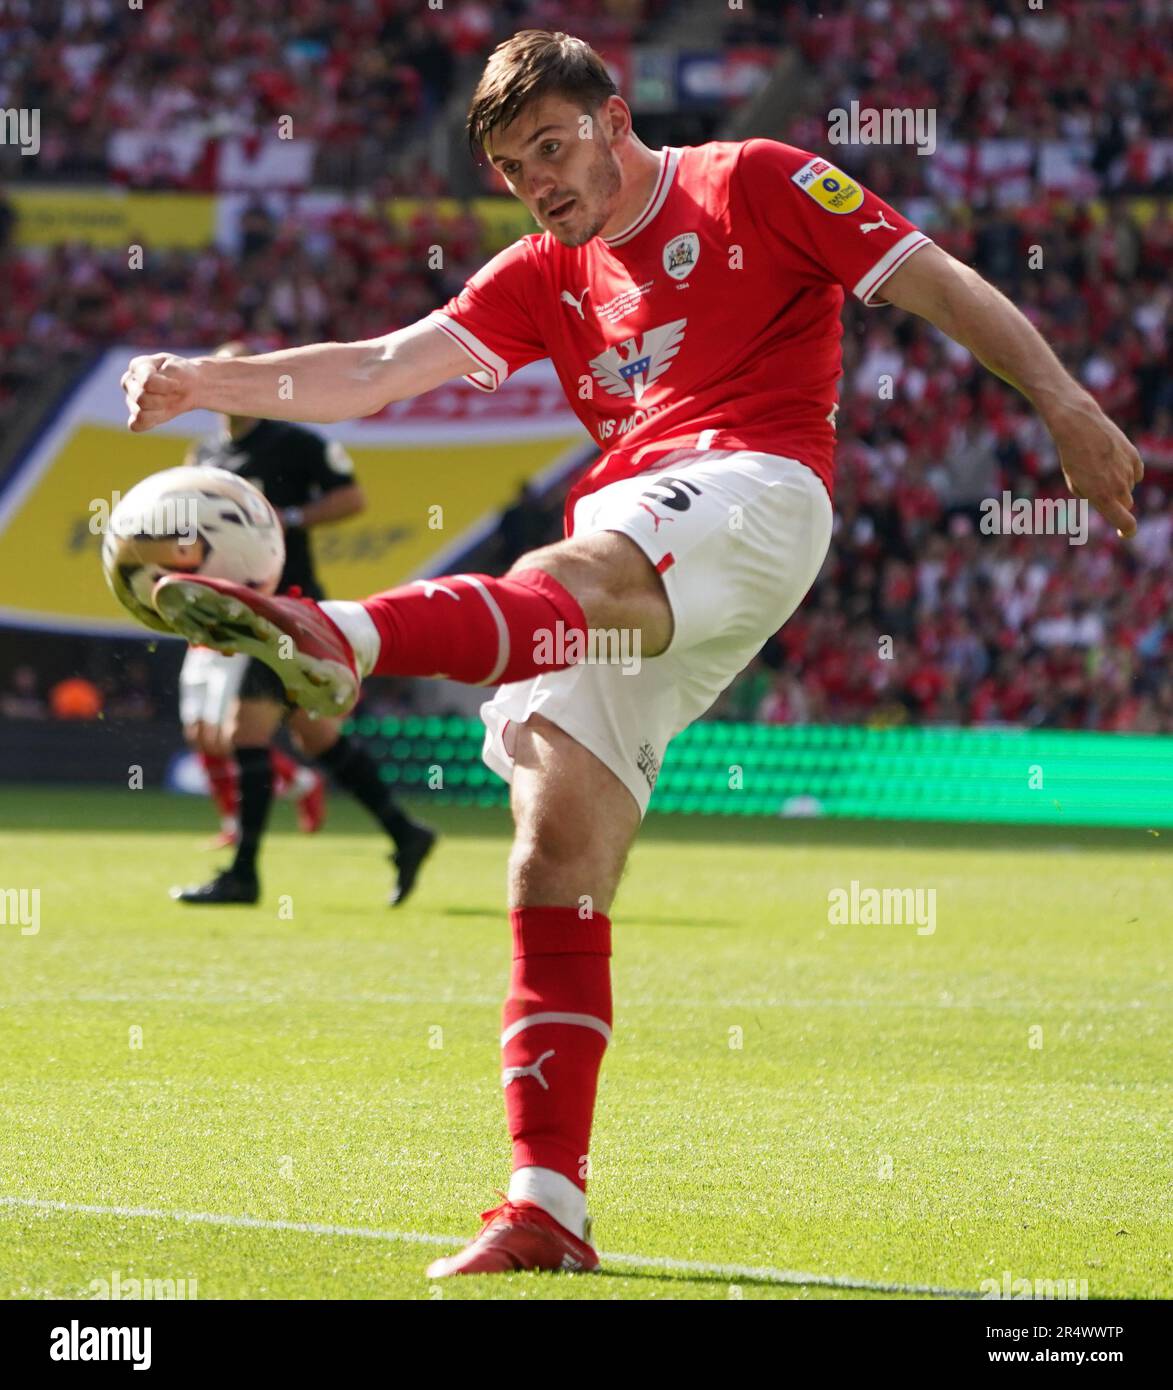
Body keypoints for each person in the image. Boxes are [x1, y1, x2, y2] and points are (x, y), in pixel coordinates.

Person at [120, 30, 1143, 1275]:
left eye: (552, 147)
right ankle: (548, 1199)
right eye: (511, 166)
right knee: (555, 860)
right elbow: (380, 370)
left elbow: (940, 285)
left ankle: (346, 634)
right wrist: (202, 379)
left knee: (564, 574)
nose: (539, 181)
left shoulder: (754, 180)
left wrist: (1067, 402)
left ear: (614, 119)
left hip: (754, 490)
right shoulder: (543, 271)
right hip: (631, 537)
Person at [171, 342, 437, 907]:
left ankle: (244, 874)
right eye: (226, 374)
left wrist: (287, 518)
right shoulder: (205, 455)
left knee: (245, 735)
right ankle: (405, 832)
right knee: (316, 737)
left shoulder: (293, 441)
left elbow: (351, 498)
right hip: (237, 612)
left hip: (287, 608)